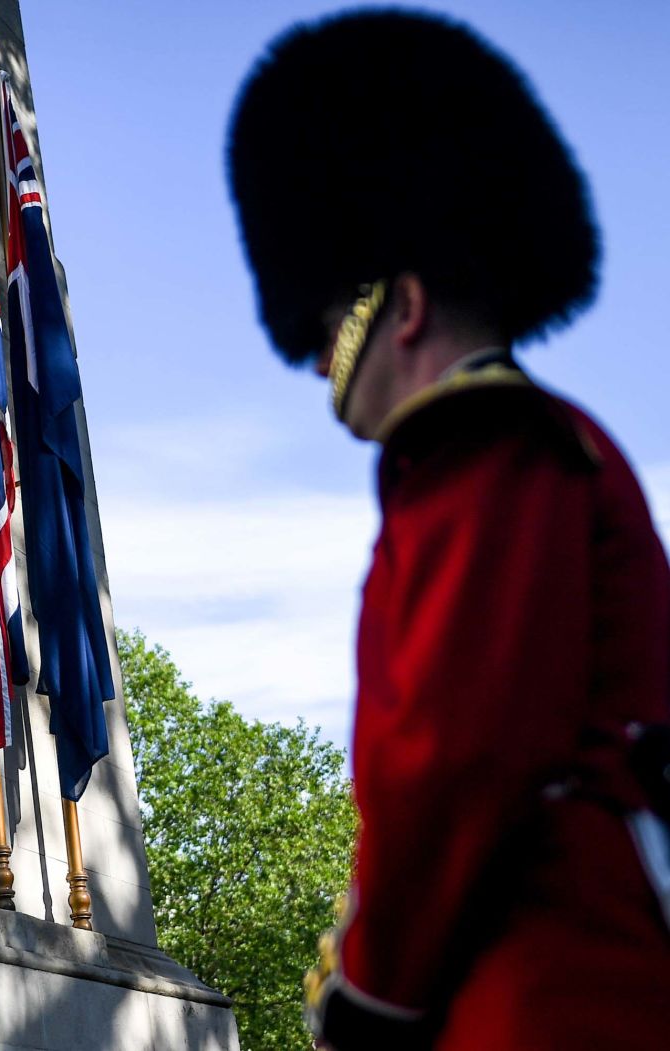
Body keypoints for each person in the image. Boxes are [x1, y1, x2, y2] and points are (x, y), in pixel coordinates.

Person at [225, 10, 670, 1050]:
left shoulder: (481, 443)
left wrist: (368, 993)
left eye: (328, 329)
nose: (320, 366)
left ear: (405, 303)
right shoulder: (555, 439)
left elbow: (453, 757)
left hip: (539, 996)